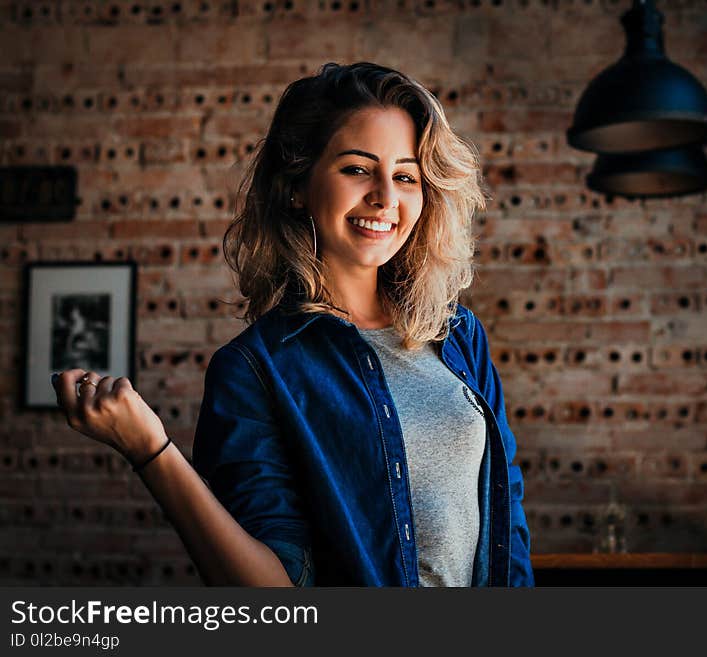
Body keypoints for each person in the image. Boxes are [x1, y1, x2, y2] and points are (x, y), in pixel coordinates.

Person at [51, 62, 534, 587]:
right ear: (296, 186)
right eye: (356, 169)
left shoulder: (460, 336)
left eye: (405, 176)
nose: (385, 197)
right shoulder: (255, 372)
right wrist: (151, 452)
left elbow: (510, 526)